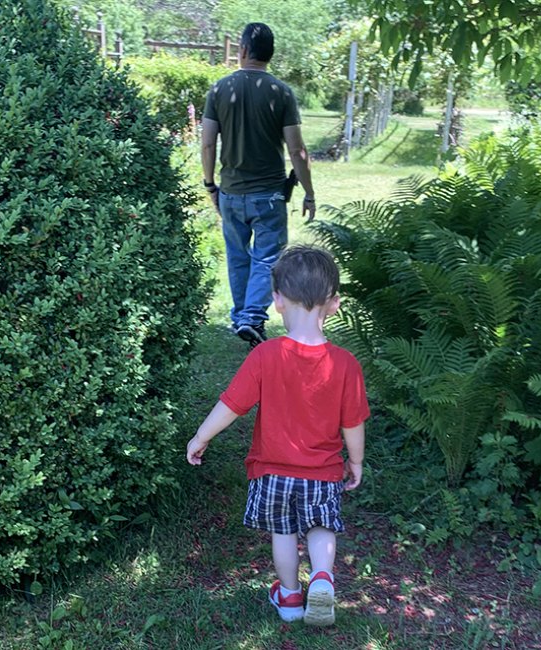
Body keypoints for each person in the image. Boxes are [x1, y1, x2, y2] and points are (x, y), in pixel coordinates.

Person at [185, 246, 369, 626]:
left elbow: (232, 405)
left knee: (282, 533)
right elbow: (353, 423)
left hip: (272, 471)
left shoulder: (266, 355)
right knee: (322, 526)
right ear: (334, 304)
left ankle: (288, 598)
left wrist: (201, 436)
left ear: (277, 301)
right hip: (321, 470)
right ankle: (321, 577)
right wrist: (355, 461)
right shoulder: (345, 365)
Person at [201, 22, 316, 349]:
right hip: (269, 195)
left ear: (243, 51)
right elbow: (296, 149)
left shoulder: (219, 90)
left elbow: (208, 144)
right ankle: (250, 318)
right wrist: (308, 191)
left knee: (238, 256)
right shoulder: (281, 93)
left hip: (231, 193)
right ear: (271, 54)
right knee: (267, 258)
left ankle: (242, 319)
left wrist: (211, 185)